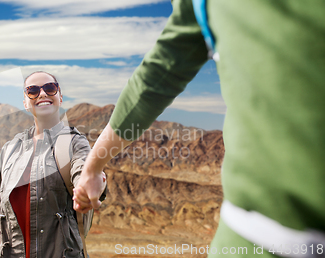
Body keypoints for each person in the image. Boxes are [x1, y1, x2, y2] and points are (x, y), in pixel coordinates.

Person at [73, 0, 325, 257]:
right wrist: (93, 168)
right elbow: (156, 76)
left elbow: (155, 79)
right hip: (254, 238)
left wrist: (93, 169)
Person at [0, 71, 92, 258]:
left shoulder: (74, 143)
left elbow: (85, 173)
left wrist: (90, 185)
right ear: (25, 102)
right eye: (32, 91)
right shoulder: (11, 149)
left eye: (50, 88)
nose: (42, 94)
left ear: (60, 96)